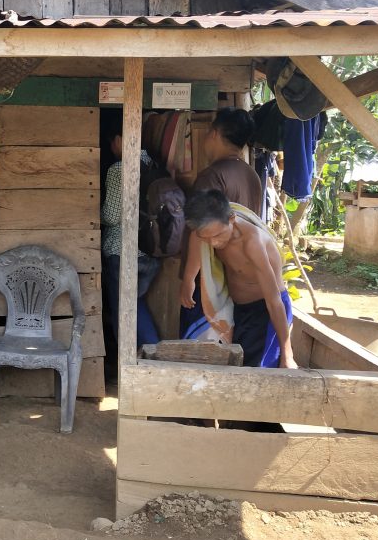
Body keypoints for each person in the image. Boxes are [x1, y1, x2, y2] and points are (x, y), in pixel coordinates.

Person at [181, 189, 295, 369]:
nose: (214, 243)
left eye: (218, 235)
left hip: (267, 312)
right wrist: (188, 280)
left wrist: (287, 355)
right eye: (207, 238)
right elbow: (198, 245)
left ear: (232, 219)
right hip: (239, 309)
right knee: (237, 364)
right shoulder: (205, 233)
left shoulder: (252, 243)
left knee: (262, 371)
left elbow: (274, 302)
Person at [180, 107, 263, 327]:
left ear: (214, 133)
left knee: (199, 344)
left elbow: (200, 231)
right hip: (238, 277)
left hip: (209, 277)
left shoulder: (212, 176)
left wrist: (189, 278)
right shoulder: (251, 175)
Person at [101, 125, 160, 365]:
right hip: (150, 252)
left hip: (122, 251)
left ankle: (140, 362)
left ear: (120, 138)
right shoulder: (154, 165)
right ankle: (150, 358)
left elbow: (112, 215)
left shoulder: (118, 169)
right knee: (136, 305)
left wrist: (95, 214)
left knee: (124, 311)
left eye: (112, 141)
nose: (112, 147)